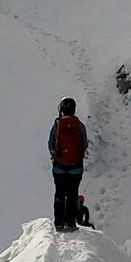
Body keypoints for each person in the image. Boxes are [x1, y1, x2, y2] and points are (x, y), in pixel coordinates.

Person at [49, 97, 87, 232]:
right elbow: (85, 144)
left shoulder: (57, 125)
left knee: (59, 193)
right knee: (72, 194)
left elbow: (51, 144)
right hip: (75, 168)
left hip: (59, 168)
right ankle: (71, 222)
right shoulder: (79, 125)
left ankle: (59, 223)